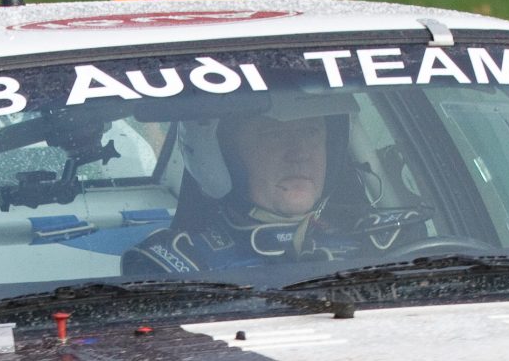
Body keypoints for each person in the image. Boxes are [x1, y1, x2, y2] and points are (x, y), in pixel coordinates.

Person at [125, 102, 419, 275]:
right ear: (221, 156)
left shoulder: (387, 246)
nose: (299, 153)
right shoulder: (175, 265)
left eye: (310, 131)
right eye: (274, 134)